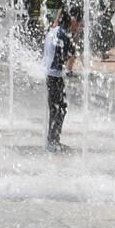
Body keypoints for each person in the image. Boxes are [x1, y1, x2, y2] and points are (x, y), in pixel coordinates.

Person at [42, 9, 79, 151]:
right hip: (55, 76)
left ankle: (52, 140)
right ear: (71, 21)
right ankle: (53, 141)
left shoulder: (53, 30)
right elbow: (69, 56)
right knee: (60, 109)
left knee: (55, 108)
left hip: (50, 75)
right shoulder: (64, 34)